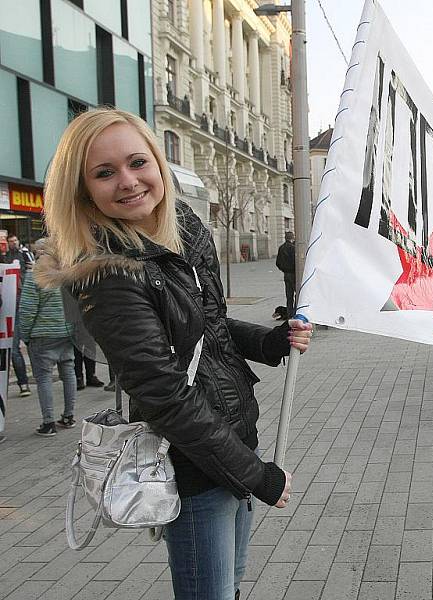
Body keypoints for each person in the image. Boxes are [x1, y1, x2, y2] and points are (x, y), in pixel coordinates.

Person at [36, 108, 312, 599]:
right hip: (196, 466)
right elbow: (164, 393)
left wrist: (269, 342)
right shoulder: (108, 272)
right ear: (82, 190)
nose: (127, 181)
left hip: (231, 447)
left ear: (159, 164)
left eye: (137, 162)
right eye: (104, 172)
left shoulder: (177, 232)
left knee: (228, 584)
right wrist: (255, 476)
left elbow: (205, 327)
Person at [17, 240, 77, 437]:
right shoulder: (67, 272)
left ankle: (48, 422)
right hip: (66, 332)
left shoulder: (36, 274)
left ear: (40, 252)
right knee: (68, 373)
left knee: (43, 378)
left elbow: (27, 309)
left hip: (42, 334)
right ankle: (69, 416)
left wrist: (25, 335)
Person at [2, 235, 34, 397]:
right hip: (10, 306)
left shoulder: (22, 254)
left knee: (14, 349)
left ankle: (23, 383)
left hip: (14, 305)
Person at [276, 231, 296, 317]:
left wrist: (283, 269)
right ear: (292, 238)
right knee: (298, 294)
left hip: (286, 274)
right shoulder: (294, 248)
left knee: (289, 296)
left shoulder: (281, 248)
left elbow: (278, 262)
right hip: (294, 274)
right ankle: (296, 312)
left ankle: (289, 314)